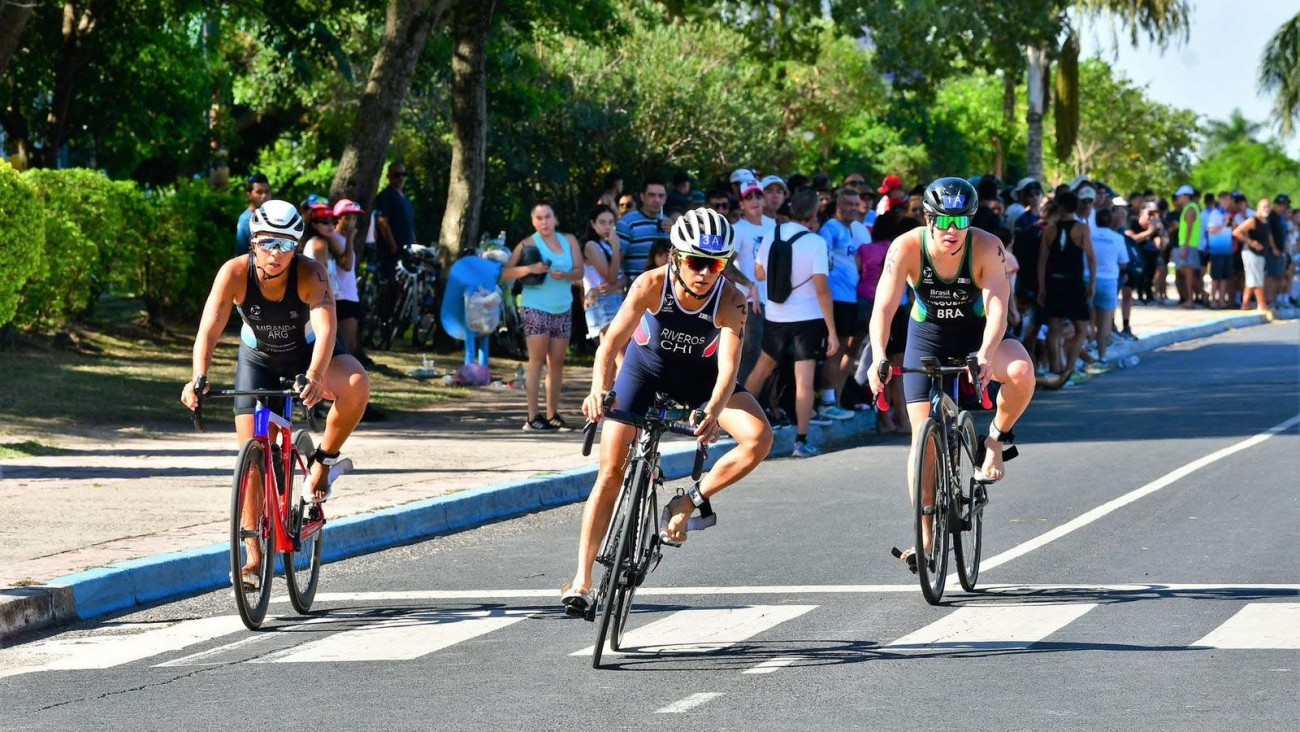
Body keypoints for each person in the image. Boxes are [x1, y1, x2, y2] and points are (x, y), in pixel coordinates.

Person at [560, 208, 773, 615]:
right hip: (643, 373)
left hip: (700, 380)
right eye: (696, 261)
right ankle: (583, 580)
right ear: (675, 256)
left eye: (716, 264)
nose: (705, 272)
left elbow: (729, 367)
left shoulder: (731, 299)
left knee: (760, 438)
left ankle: (688, 502)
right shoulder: (651, 284)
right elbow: (610, 345)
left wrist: (712, 410)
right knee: (610, 471)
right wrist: (598, 390)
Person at [181, 200, 370, 588]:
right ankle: (252, 558)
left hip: (311, 355)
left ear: (297, 246)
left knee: (356, 385)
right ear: (253, 242)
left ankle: (323, 461)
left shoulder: (311, 274)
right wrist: (198, 376)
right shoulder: (234, 273)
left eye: (285, 245)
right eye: (267, 242)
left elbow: (328, 328)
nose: (275, 253)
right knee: (251, 457)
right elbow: (210, 329)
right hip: (260, 360)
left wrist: (316, 375)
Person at [866, 178, 1035, 570]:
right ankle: (924, 541)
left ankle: (993, 442)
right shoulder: (906, 247)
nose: (953, 229)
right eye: (943, 220)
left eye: (961, 220)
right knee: (922, 440)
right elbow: (884, 308)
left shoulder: (987, 245)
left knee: (1022, 371)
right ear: (928, 218)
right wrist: (878, 356)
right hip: (926, 339)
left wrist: (987, 354)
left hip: (976, 336)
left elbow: (997, 308)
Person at [744, 188, 840, 459]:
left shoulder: (772, 234)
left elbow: (759, 273)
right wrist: (831, 331)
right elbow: (822, 289)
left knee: (760, 370)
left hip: (775, 316)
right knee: (804, 381)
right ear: (813, 213)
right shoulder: (815, 243)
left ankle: (735, 423)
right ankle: (801, 441)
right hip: (807, 319)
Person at [503, 203, 586, 431]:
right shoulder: (527, 243)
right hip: (535, 306)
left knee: (557, 362)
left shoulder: (569, 240)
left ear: (555, 219)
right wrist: (530, 269)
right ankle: (532, 416)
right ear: (533, 221)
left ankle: (552, 414)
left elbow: (580, 271)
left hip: (563, 306)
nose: (544, 222)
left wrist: (564, 275)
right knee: (537, 361)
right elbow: (506, 273)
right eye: (539, 218)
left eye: (547, 217)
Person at [1037, 190, 1096, 387]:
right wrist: (1092, 283)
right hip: (1074, 282)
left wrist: (1042, 288)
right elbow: (1091, 257)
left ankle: (1056, 368)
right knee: (1081, 328)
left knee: (1054, 328)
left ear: (1060, 207)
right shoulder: (1082, 229)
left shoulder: (1050, 229)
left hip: (1055, 282)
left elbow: (1042, 261)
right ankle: (1069, 368)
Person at [816, 187, 864, 420]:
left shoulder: (852, 230)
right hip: (836, 299)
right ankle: (826, 401)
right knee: (834, 352)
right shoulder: (830, 229)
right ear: (839, 205)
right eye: (850, 204)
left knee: (847, 350)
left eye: (857, 204)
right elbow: (823, 262)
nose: (855, 208)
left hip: (851, 298)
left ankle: (836, 396)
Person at [372, 162, 417, 341]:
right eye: (396, 175)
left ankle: (397, 325)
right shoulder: (386, 196)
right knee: (390, 287)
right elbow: (383, 221)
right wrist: (392, 245)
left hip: (407, 251)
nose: (400, 178)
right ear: (389, 176)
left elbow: (409, 226)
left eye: (403, 175)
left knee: (402, 289)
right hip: (391, 252)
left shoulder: (406, 199)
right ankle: (383, 323)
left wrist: (414, 245)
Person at [580, 204, 625, 350]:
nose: (607, 227)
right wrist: (616, 247)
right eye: (602, 222)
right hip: (602, 303)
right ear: (593, 224)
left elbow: (622, 277)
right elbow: (611, 277)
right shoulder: (591, 246)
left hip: (616, 299)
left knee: (617, 353)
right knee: (616, 354)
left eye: (611, 222)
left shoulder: (607, 245)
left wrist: (617, 284)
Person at [1087, 207, 1128, 364]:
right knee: (1104, 322)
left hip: (1088, 278)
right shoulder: (1117, 238)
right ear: (1111, 222)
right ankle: (1102, 355)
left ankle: (1086, 349)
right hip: (1109, 280)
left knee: (1087, 320)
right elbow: (1124, 263)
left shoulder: (1089, 235)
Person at [617, 180, 671, 281]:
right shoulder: (627, 223)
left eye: (661, 196)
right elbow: (617, 258)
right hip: (636, 286)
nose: (657, 200)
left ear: (665, 199)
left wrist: (675, 233)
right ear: (642, 197)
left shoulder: (668, 223)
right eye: (652, 195)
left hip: (664, 287)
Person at [1233, 198, 1275, 314]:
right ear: (1258, 208)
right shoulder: (1253, 220)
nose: (1266, 209)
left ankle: (1245, 304)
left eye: (1268, 207)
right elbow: (1237, 232)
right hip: (1250, 253)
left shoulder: (1265, 222)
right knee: (1257, 278)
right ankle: (1262, 304)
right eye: (1264, 207)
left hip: (1261, 254)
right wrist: (1251, 243)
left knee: (1252, 279)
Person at [235, 174, 271, 257]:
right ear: (249, 195)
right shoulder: (246, 220)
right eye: (259, 192)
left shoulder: (272, 216)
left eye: (267, 191)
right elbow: (242, 255)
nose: (264, 196)